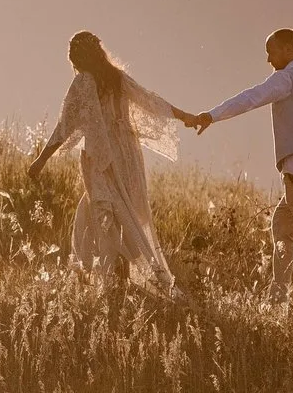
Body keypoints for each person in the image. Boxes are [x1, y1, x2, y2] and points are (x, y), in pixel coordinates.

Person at [26, 31, 204, 288]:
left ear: (77, 59)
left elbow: (64, 126)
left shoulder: (83, 83)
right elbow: (150, 100)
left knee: (106, 213)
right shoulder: (116, 77)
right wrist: (185, 116)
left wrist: (41, 160)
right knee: (124, 213)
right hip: (128, 155)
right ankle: (125, 276)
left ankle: (116, 281)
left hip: (102, 157)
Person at [190, 27, 293, 304]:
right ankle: (278, 298)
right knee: (282, 225)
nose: (268, 59)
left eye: (271, 52)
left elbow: (250, 98)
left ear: (287, 49)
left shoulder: (286, 80)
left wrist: (212, 115)